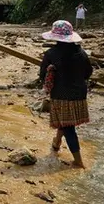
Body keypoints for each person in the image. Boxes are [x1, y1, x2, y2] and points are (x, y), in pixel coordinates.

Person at [39, 20, 92, 168]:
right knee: (66, 121)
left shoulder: (51, 54)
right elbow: (88, 73)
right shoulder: (81, 53)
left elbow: (42, 75)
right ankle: (56, 143)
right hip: (79, 93)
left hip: (61, 94)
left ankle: (79, 161)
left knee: (68, 126)